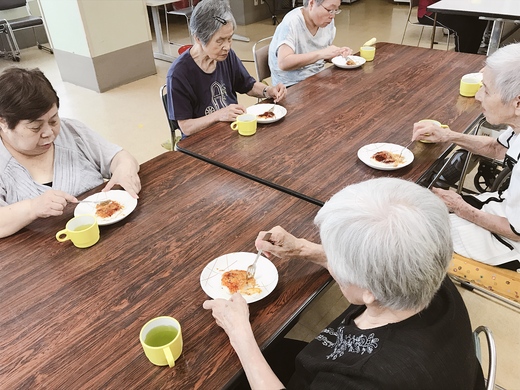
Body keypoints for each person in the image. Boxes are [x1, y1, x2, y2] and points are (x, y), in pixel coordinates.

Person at [203, 178, 484, 389]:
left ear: (370, 292)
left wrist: (238, 331)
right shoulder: (424, 272)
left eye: (337, 260)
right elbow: (381, 266)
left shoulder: (367, 377)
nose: (333, 263)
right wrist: (302, 249)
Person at [413, 42, 520, 270]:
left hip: (510, 242)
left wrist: (460, 206)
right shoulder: (518, 126)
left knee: (412, 230)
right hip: (502, 207)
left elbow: (516, 231)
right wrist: (448, 135)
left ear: (517, 103)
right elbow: (498, 148)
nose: (479, 96)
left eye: (487, 90)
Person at [0, 67, 141, 238]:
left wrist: (125, 170)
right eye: (35, 127)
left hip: (110, 235)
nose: (49, 133)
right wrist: (32, 208)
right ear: (4, 123)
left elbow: (119, 157)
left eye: (53, 121)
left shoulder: (72, 131)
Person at [166, 0, 287, 136]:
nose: (227, 47)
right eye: (220, 41)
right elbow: (186, 127)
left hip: (231, 131)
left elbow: (248, 85)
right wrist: (219, 115)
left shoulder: (226, 56)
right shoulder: (179, 74)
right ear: (199, 38)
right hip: (201, 141)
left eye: (230, 39)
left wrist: (268, 91)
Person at [268, 0, 352, 87]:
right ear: (311, 4)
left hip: (317, 78)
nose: (332, 16)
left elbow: (322, 54)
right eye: (330, 10)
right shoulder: (292, 22)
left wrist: (336, 54)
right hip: (291, 85)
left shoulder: (327, 21)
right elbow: (283, 62)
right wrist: (322, 54)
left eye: (336, 10)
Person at [417, 0, 488, 54]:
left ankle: (472, 54)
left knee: (480, 20)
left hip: (449, 9)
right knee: (463, 26)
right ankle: (461, 56)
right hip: (429, 11)